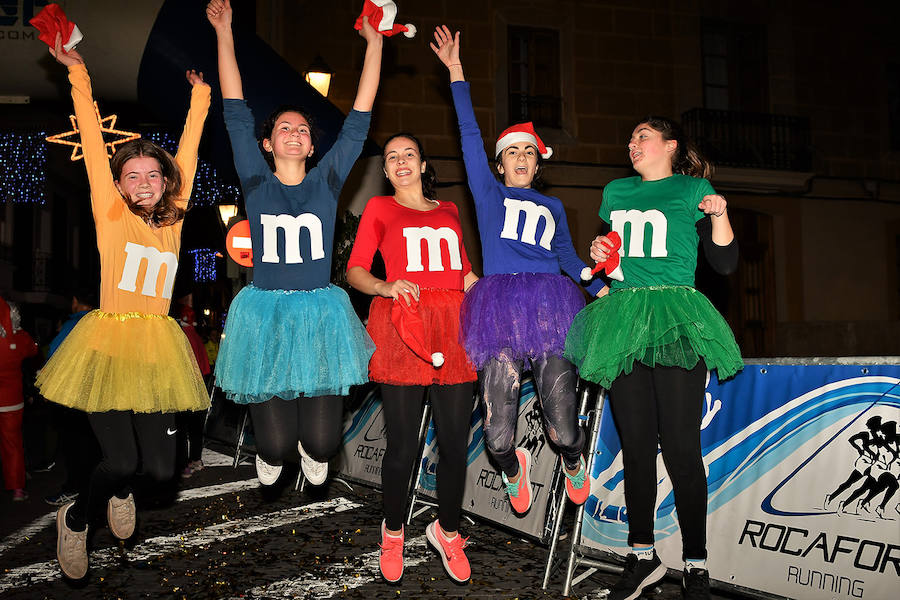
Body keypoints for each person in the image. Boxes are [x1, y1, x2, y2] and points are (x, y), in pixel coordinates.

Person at [35, 33, 211, 579]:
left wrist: (200, 99)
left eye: (152, 175)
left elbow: (189, 151)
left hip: (157, 348)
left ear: (165, 185)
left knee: (160, 469)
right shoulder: (111, 214)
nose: (143, 182)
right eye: (131, 175)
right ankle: (79, 519)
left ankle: (122, 490)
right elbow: (90, 137)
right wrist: (78, 73)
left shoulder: (176, 216)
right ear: (117, 185)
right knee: (122, 459)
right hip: (109, 346)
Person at [564, 116, 743, 600]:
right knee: (636, 446)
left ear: (669, 145)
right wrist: (601, 253)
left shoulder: (692, 189)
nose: (632, 143)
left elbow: (724, 263)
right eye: (630, 137)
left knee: (682, 448)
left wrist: (720, 212)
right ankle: (641, 556)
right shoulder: (616, 191)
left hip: (675, 316)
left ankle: (696, 565)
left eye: (642, 136)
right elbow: (612, 253)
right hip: (624, 318)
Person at [207, 0, 380, 488]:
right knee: (276, 449)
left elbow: (359, 120)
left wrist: (374, 45)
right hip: (265, 315)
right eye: (284, 127)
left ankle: (312, 444)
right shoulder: (257, 182)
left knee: (324, 446)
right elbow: (236, 111)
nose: (294, 133)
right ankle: (278, 446)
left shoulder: (326, 181)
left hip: (320, 313)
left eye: (302, 130)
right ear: (268, 144)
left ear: (310, 146)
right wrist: (225, 32)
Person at [431, 26, 603, 516]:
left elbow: (570, 260)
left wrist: (600, 283)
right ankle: (513, 468)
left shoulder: (552, 206)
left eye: (529, 151)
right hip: (499, 309)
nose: (522, 157)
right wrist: (456, 72)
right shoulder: (488, 196)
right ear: (501, 164)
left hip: (552, 307)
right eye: (513, 151)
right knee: (498, 435)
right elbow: (467, 136)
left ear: (537, 162)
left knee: (564, 424)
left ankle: (572, 459)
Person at [347, 133, 478, 583]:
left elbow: (462, 271)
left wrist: (485, 292)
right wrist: (385, 286)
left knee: (456, 444)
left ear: (423, 165)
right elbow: (356, 270)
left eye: (409, 155)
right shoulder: (380, 209)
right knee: (402, 445)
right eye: (392, 158)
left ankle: (448, 530)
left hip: (453, 327)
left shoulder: (450, 211)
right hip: (403, 324)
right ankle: (394, 531)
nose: (401, 162)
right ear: (385, 172)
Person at [43, 288, 101, 507]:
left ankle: (74, 490)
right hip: (99, 395)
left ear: (75, 300)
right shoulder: (103, 323)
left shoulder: (72, 325)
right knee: (95, 445)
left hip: (73, 396)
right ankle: (95, 490)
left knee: (74, 446)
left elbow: (54, 357)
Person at [0, 298, 38, 502]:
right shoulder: (19, 338)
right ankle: (17, 488)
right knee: (13, 444)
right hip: (11, 401)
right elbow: (33, 349)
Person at [173, 295, 211, 478]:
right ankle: (196, 459)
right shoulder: (195, 337)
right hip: (199, 389)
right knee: (196, 427)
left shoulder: (178, 336)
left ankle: (183, 466)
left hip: (182, 388)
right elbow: (205, 367)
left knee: (180, 427)